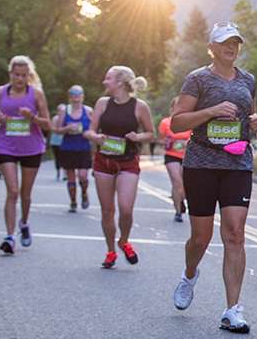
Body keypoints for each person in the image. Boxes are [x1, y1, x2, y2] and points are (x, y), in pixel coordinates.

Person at [169, 22, 257, 333]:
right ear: (212, 48)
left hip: (237, 163)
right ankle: (189, 274)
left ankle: (232, 310)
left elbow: (250, 119)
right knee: (201, 237)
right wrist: (210, 112)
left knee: (235, 233)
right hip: (201, 163)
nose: (231, 48)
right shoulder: (197, 79)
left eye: (235, 42)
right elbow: (177, 123)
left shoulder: (248, 80)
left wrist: (255, 123)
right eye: (224, 43)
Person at [84, 66, 154, 269]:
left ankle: (123, 241)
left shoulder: (139, 106)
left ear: (120, 83)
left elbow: (151, 133)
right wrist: (97, 137)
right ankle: (110, 251)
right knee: (107, 211)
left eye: (108, 78)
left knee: (125, 209)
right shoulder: (102, 103)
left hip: (127, 162)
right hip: (103, 162)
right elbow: (89, 131)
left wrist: (137, 137)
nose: (104, 82)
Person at [0, 55, 51, 254]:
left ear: (29, 75)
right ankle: (9, 237)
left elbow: (47, 124)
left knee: (25, 194)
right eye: (16, 75)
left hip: (32, 148)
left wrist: (32, 117)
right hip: (7, 146)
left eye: (24, 75)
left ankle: (24, 223)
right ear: (10, 74)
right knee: (12, 191)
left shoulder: (36, 94)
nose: (20, 79)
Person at [53, 85, 94, 212]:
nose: (76, 97)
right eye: (73, 95)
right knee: (71, 177)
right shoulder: (64, 110)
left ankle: (84, 193)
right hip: (68, 147)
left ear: (83, 96)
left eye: (79, 94)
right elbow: (57, 130)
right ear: (69, 96)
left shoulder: (88, 111)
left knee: (83, 175)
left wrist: (88, 133)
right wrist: (67, 128)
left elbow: (94, 128)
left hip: (83, 147)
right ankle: (73, 202)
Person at [158, 97, 192, 223]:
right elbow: (161, 139)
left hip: (187, 156)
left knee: (184, 185)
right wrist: (168, 142)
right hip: (171, 155)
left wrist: (186, 143)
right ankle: (178, 212)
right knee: (177, 182)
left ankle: (179, 199)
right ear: (172, 108)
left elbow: (195, 137)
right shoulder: (166, 122)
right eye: (177, 105)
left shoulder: (190, 121)